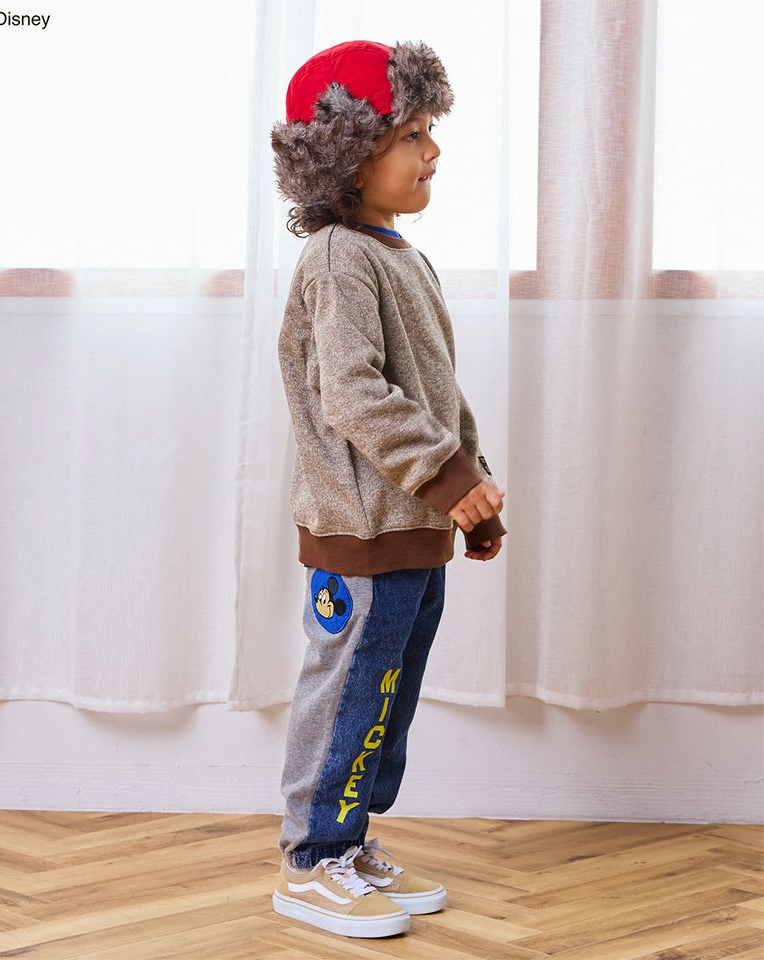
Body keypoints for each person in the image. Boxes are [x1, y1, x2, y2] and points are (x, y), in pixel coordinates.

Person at [269, 38, 507, 939]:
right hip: (361, 528)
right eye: (413, 134)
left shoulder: (399, 255)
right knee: (349, 691)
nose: (432, 151)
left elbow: (436, 391)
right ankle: (309, 860)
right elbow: (354, 392)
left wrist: (468, 491)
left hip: (411, 522)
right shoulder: (338, 257)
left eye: (430, 131)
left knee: (386, 697)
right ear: (349, 152)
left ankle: (350, 840)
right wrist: (444, 477)